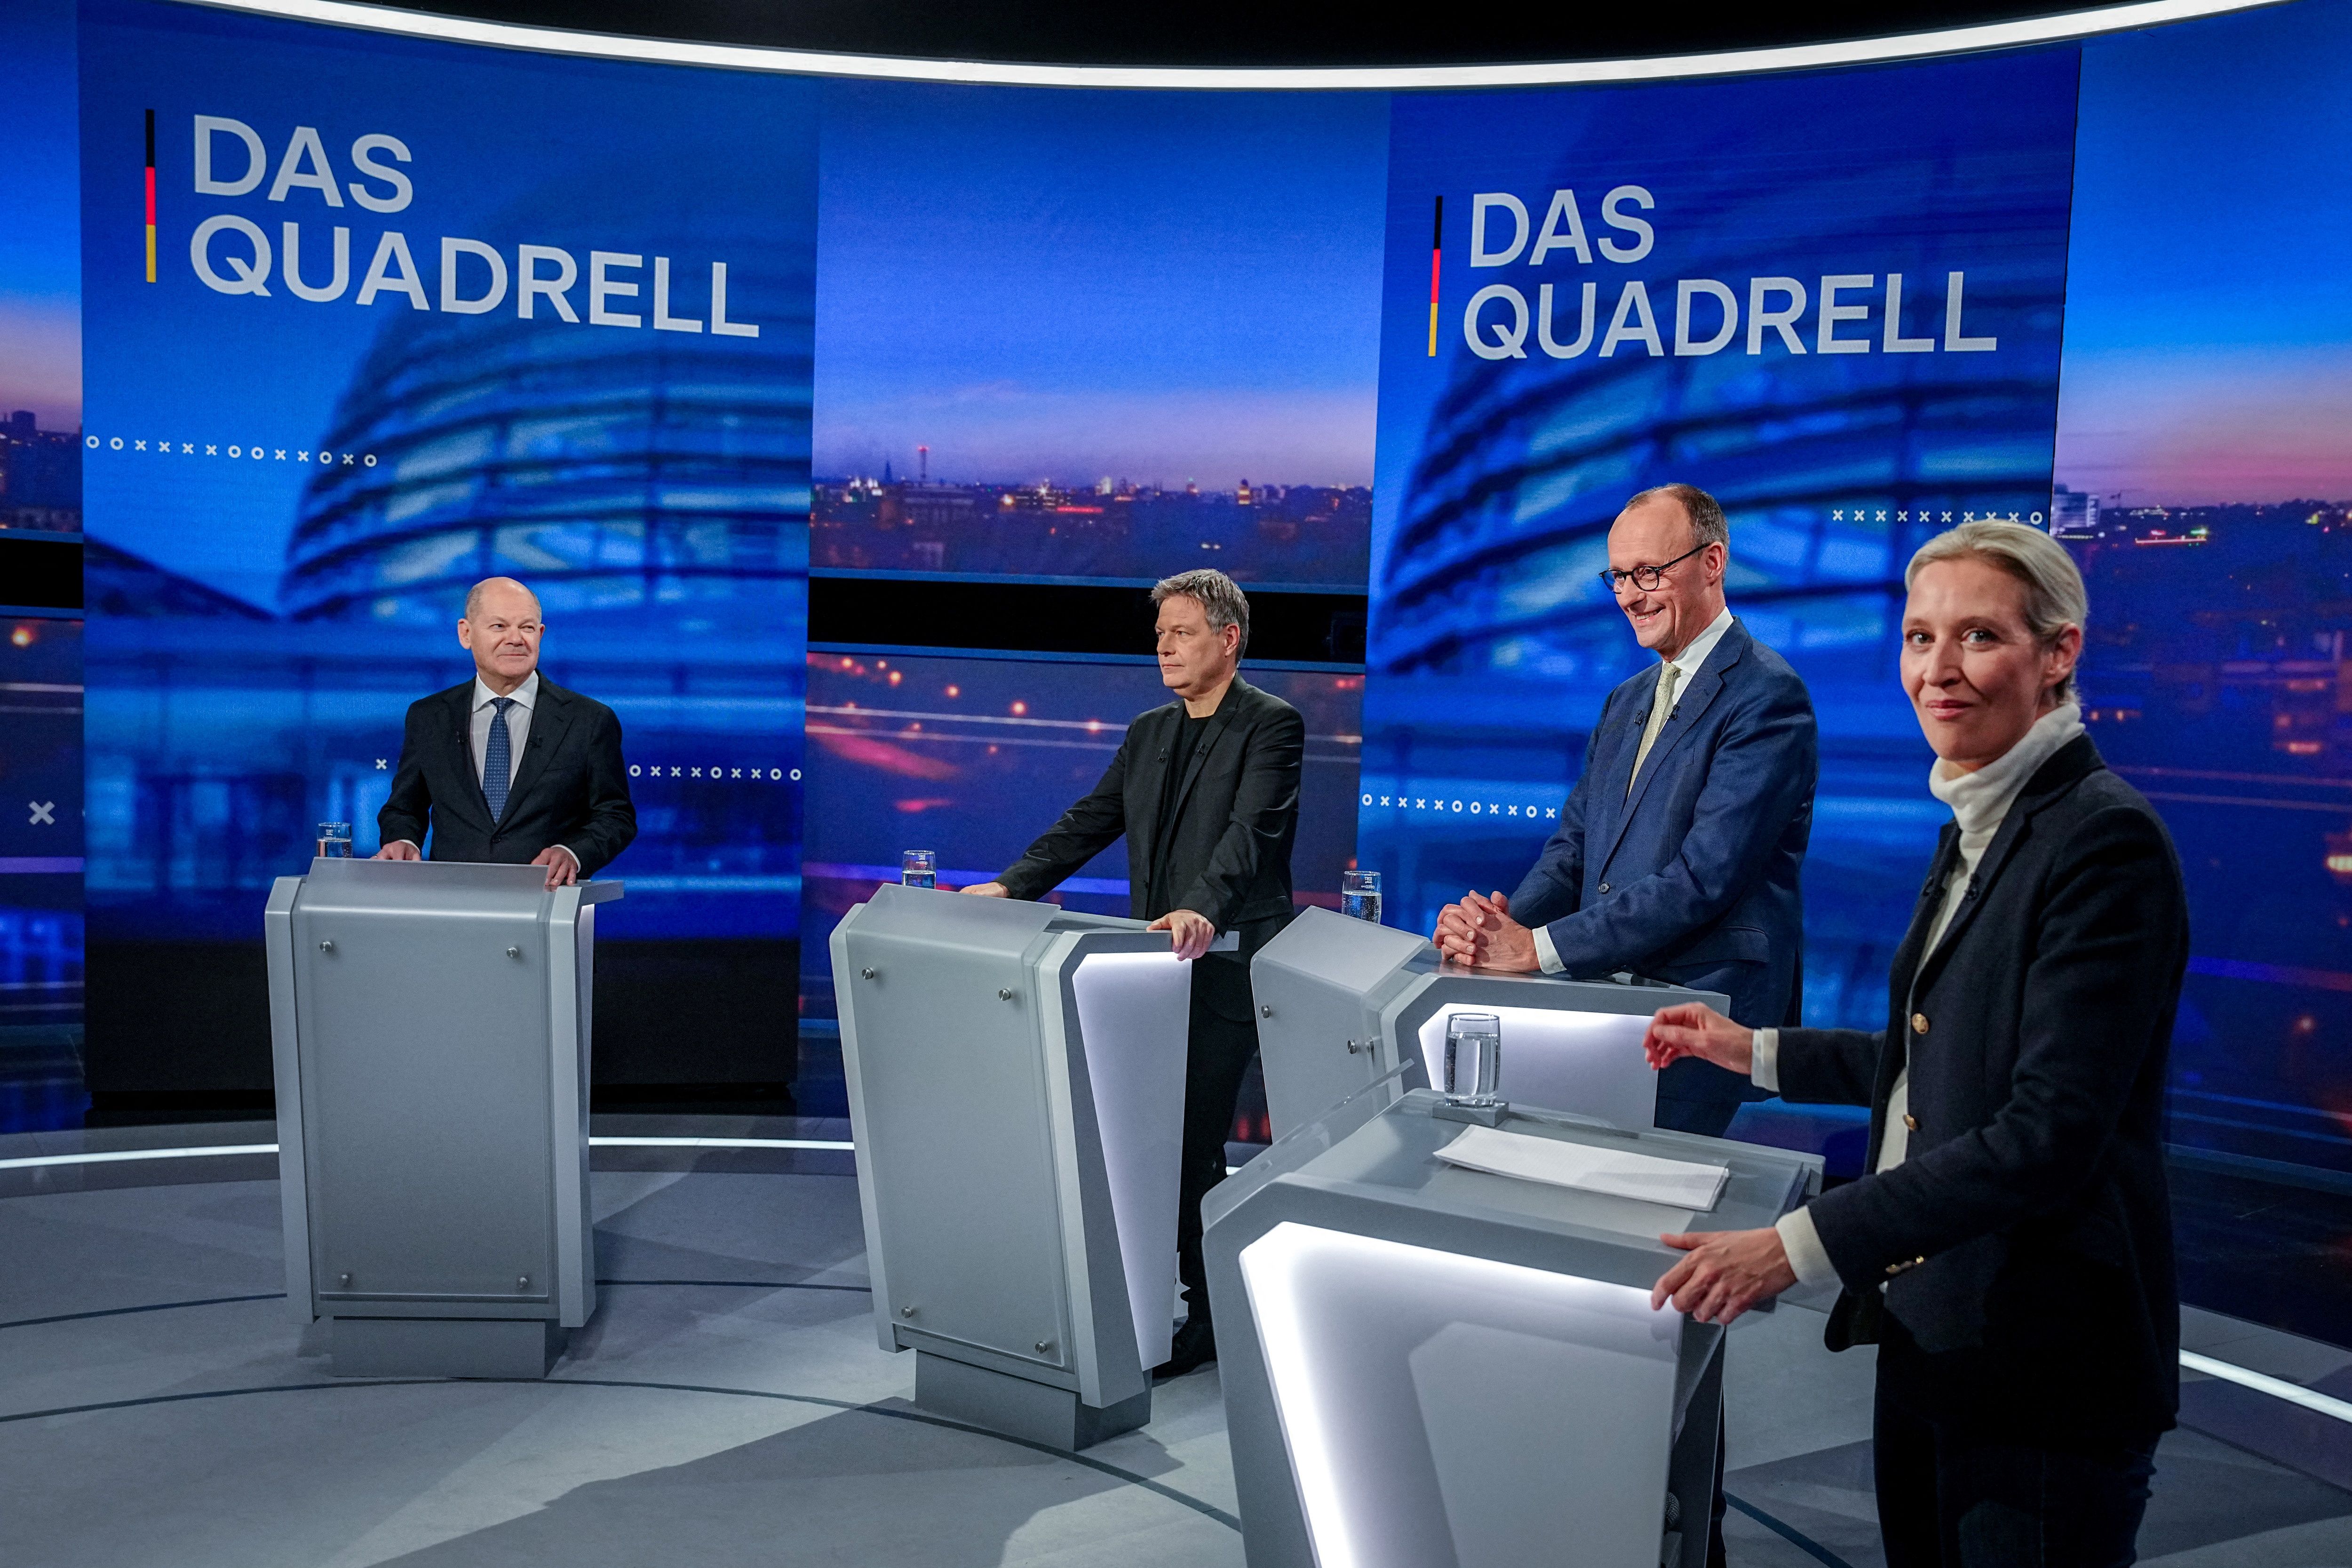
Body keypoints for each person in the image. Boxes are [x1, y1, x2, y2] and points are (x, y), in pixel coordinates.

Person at [1643, 521, 2187, 1566]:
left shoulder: (2101, 841)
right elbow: (1938, 1055)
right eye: (1917, 637)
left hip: (2042, 1366)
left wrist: (1794, 1247)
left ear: (2058, 653)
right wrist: (1750, 1049)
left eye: (1978, 636)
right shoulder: (1981, 820)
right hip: (1938, 1332)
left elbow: (2043, 1134)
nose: (1937, 670)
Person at [964, 568, 1303, 1381]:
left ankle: (1211, 1311)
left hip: (1220, 964)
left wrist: (1201, 908)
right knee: (1146, 1142)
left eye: (1181, 632)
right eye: (1160, 634)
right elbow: (1092, 816)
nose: (1164, 647)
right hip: (1149, 972)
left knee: (1191, 1143)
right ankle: (1152, 1293)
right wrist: (1015, 883)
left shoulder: (1272, 726)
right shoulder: (1150, 729)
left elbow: (1249, 839)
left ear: (1229, 638)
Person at [1434, 482, 1817, 1137]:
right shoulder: (1626, 698)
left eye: (1649, 573)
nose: (1630, 596)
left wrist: (1537, 949)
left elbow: (1704, 877)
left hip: (1700, 1010)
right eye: (1618, 577)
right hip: (1607, 1002)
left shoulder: (1768, 696)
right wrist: (1497, 931)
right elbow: (1574, 849)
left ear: (1713, 562)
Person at [376, 576, 637, 887]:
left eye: (526, 627)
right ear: (466, 633)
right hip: (448, 902)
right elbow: (404, 808)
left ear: (540, 634)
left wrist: (573, 852)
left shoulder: (589, 720)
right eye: (499, 626)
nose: (515, 639)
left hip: (546, 902)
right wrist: (404, 840)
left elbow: (615, 816)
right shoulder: (429, 717)